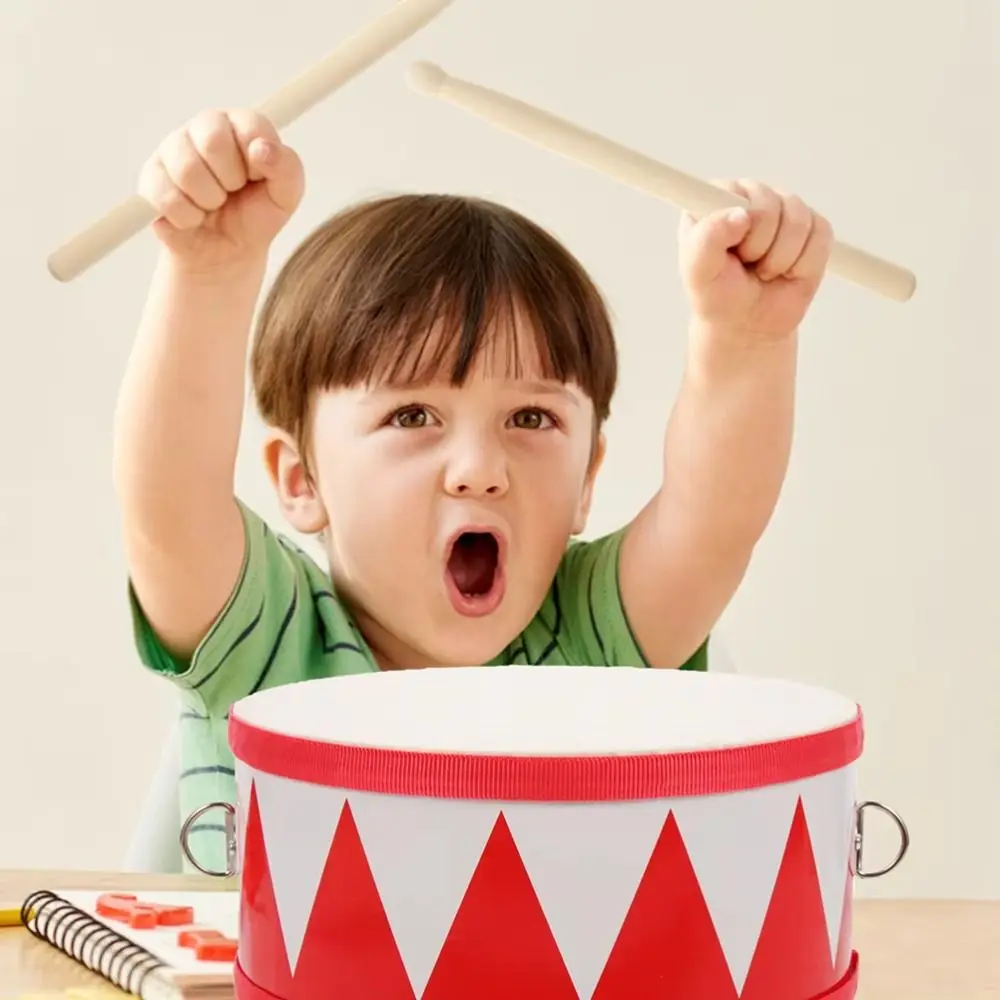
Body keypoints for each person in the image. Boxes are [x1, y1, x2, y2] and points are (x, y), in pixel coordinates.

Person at [114, 108, 833, 870]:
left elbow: (714, 518)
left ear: (587, 479)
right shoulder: (269, 640)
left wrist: (747, 341)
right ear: (302, 481)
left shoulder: (595, 642)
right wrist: (211, 273)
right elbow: (171, 512)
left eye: (530, 416)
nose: (479, 467)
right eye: (413, 415)